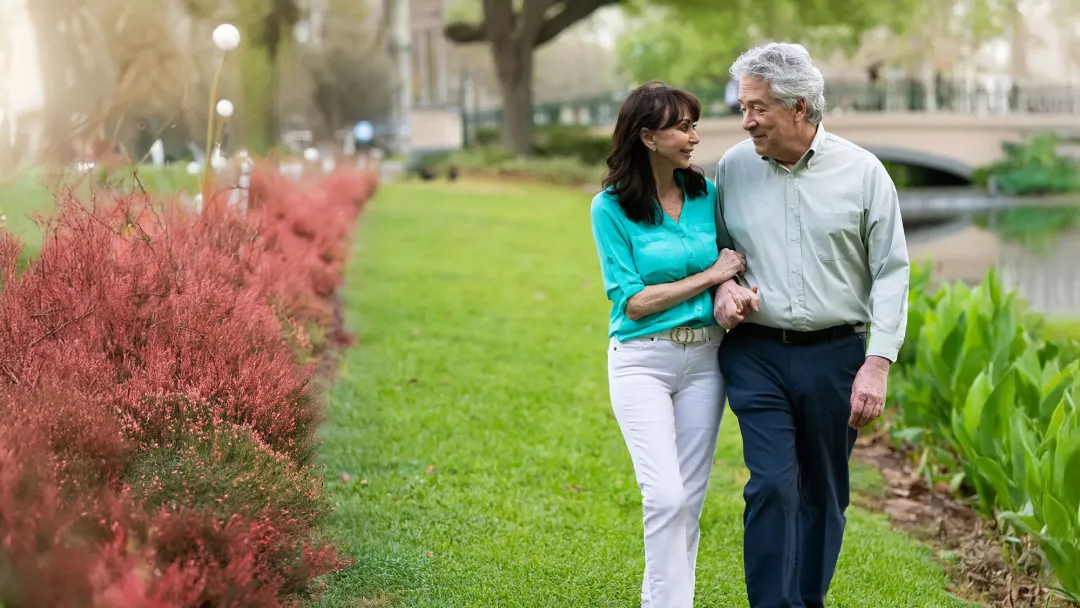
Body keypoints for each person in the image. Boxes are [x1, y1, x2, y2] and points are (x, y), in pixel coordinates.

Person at [711, 43, 910, 608]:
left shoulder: (864, 172)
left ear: (799, 106)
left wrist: (878, 362)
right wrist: (724, 287)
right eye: (743, 107)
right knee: (772, 483)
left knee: (824, 491)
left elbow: (892, 272)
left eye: (757, 108)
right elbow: (718, 249)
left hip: (836, 358)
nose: (746, 120)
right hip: (757, 353)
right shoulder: (732, 167)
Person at [589, 81, 748, 608]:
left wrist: (729, 285)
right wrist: (711, 276)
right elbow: (633, 302)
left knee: (690, 502)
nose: (694, 136)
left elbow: (734, 260)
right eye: (682, 126)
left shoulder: (708, 196)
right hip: (642, 361)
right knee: (665, 496)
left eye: (693, 124)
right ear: (647, 137)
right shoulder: (609, 208)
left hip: (706, 361)